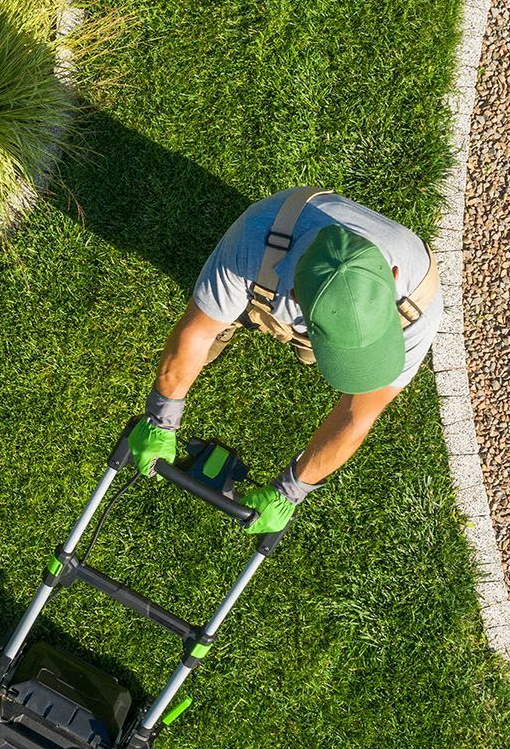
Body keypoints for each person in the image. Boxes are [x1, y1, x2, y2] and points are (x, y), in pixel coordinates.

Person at [127, 186, 443, 533]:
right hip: (270, 269)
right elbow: (196, 334)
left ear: (393, 277)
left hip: (301, 298)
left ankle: (308, 342)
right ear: (295, 298)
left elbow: (357, 415)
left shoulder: (419, 303)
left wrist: (291, 491)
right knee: (216, 318)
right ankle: (243, 313)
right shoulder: (254, 240)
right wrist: (161, 418)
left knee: (312, 356)